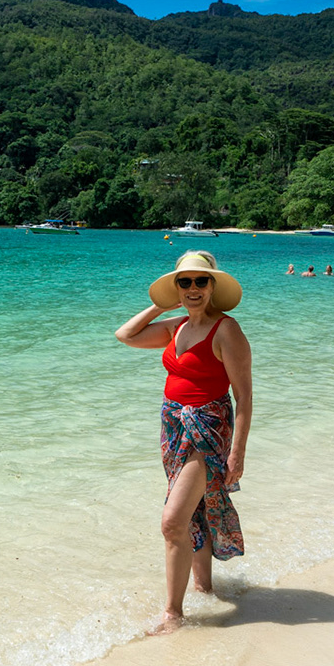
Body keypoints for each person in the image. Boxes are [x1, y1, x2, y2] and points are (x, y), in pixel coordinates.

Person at [114, 250, 252, 636]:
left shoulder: (227, 330)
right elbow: (125, 335)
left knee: (173, 522)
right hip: (173, 429)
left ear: (213, 286)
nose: (193, 288)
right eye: (185, 282)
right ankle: (204, 589)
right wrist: (162, 305)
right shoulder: (175, 326)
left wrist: (238, 451)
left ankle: (173, 614)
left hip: (207, 429)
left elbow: (244, 396)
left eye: (201, 281)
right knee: (196, 512)